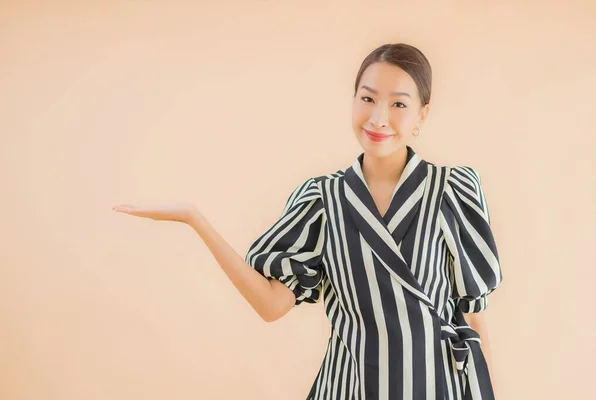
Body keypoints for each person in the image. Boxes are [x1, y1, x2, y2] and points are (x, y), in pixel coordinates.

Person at [113, 43, 503, 400]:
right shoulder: (322, 199)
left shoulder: (452, 190)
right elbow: (270, 305)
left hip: (436, 388)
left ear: (422, 113)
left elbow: (473, 315)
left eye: (398, 104)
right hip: (349, 388)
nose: (378, 117)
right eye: (367, 98)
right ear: (353, 100)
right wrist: (194, 219)